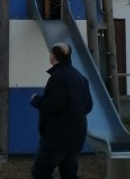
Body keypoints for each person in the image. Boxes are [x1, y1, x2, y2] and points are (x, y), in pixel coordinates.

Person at [30, 43, 93, 179]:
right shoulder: (81, 77)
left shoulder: (57, 77)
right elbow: (88, 106)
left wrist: (36, 100)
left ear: (53, 56)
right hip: (77, 136)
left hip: (57, 138)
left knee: (40, 172)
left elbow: (54, 105)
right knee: (69, 174)